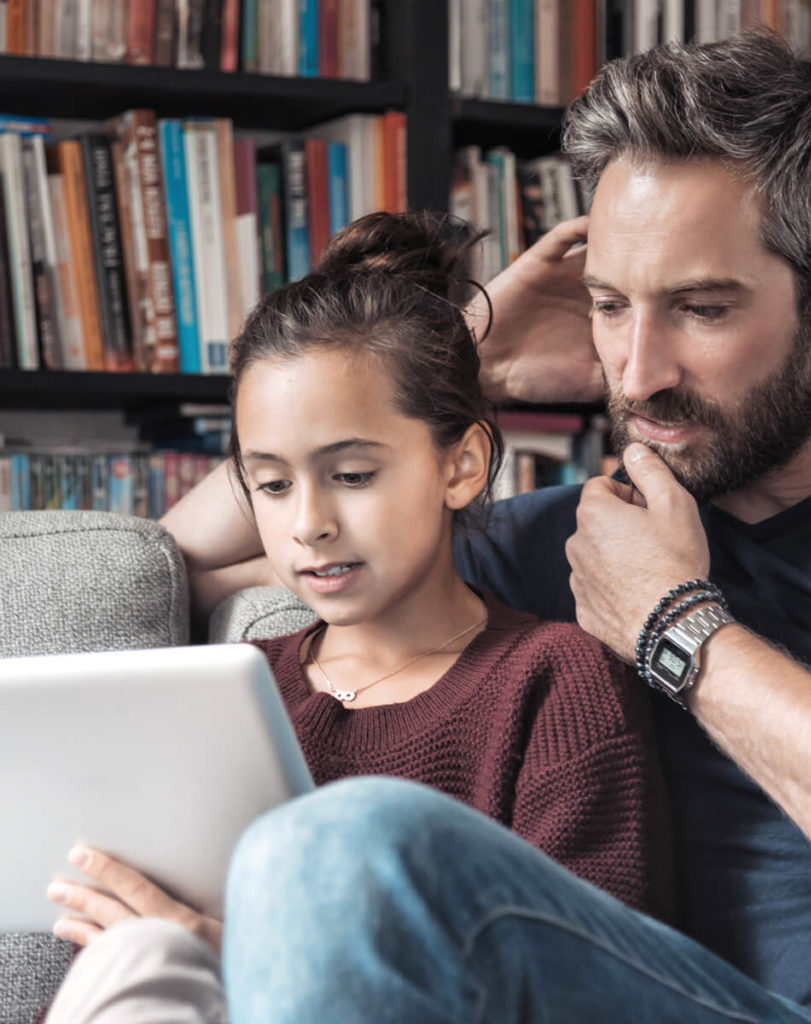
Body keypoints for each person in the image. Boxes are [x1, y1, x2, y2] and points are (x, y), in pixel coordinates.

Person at [50, 28, 811, 1023]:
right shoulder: (563, 537)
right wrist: (445, 366)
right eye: (609, 305)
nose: (637, 372)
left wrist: (675, 627)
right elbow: (161, 565)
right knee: (328, 854)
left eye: (698, 307)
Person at [41, 212, 675, 1022]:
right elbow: (138, 573)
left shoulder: (553, 680)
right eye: (271, 485)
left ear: (463, 464)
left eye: (349, 474)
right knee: (143, 952)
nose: (309, 523)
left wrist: (229, 952)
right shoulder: (231, 691)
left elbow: (590, 984)